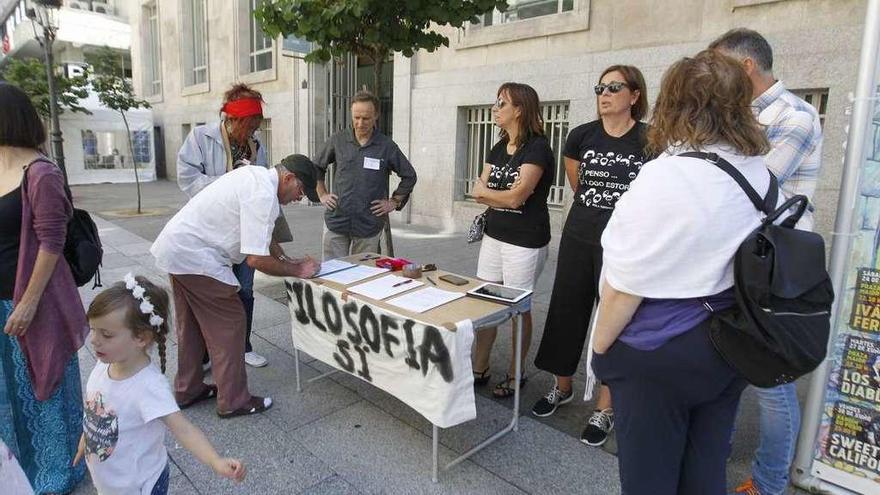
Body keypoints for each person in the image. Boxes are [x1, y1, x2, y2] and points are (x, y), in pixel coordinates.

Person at [590, 49, 782, 494]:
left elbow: (624, 283)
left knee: (649, 478)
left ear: (671, 104)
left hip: (659, 352)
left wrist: (601, 350)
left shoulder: (664, 176)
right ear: (739, 105)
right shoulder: (761, 174)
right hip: (733, 342)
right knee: (705, 468)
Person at [710, 28, 824, 495]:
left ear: (745, 67)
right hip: (739, 256)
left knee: (773, 384)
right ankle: (712, 459)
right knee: (729, 364)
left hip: (774, 267)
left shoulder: (794, 116)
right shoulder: (742, 116)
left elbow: (756, 183)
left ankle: (771, 482)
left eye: (718, 66)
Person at [531, 65, 650, 448]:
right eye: (601, 86)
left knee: (615, 321)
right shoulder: (581, 135)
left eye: (615, 87)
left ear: (634, 95)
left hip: (624, 245)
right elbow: (578, 186)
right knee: (567, 310)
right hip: (580, 236)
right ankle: (561, 386)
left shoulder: (651, 140)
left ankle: (605, 406)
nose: (605, 93)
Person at [151, 155, 321, 418]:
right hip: (197, 256)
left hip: (178, 249)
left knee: (192, 325)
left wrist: (288, 260)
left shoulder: (256, 177)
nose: (300, 197)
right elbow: (255, 259)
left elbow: (262, 237)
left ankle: (189, 388)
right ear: (288, 178)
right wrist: (297, 270)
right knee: (230, 322)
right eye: (300, 190)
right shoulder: (263, 196)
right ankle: (233, 400)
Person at [74, 275, 246, 494]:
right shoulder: (103, 364)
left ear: (141, 338)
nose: (94, 340)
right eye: (93, 329)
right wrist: (86, 440)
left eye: (106, 334)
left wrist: (215, 461)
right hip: (111, 480)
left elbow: (183, 429)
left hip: (141, 484)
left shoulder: (148, 386)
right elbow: (94, 411)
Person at [0, 82, 88, 494]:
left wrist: (28, 304)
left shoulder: (41, 172)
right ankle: (16, 473)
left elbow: (51, 242)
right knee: (8, 395)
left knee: (45, 389)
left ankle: (56, 474)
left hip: (33, 305)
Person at [177, 83, 285, 369]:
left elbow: (262, 185)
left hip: (244, 230)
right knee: (211, 292)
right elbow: (187, 179)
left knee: (245, 289)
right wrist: (230, 183)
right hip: (211, 234)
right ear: (234, 118)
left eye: (256, 126)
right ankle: (204, 354)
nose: (253, 132)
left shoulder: (255, 145)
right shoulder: (201, 137)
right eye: (249, 125)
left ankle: (243, 346)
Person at [470, 82, 555, 398]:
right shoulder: (497, 146)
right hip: (494, 235)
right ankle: (480, 367)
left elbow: (518, 198)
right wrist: (500, 196)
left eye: (501, 103)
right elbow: (479, 189)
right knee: (484, 301)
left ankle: (516, 374)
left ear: (519, 109)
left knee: (519, 307)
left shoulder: (537, 148)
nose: (495, 108)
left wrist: (495, 195)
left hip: (525, 240)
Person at [315, 90, 417, 260]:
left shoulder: (386, 146)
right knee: (332, 273)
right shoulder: (338, 140)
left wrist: (394, 201)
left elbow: (409, 176)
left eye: (366, 118)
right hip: (337, 220)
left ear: (376, 115)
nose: (360, 123)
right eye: (356, 117)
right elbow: (317, 167)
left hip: (369, 224)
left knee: (362, 276)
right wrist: (322, 194)